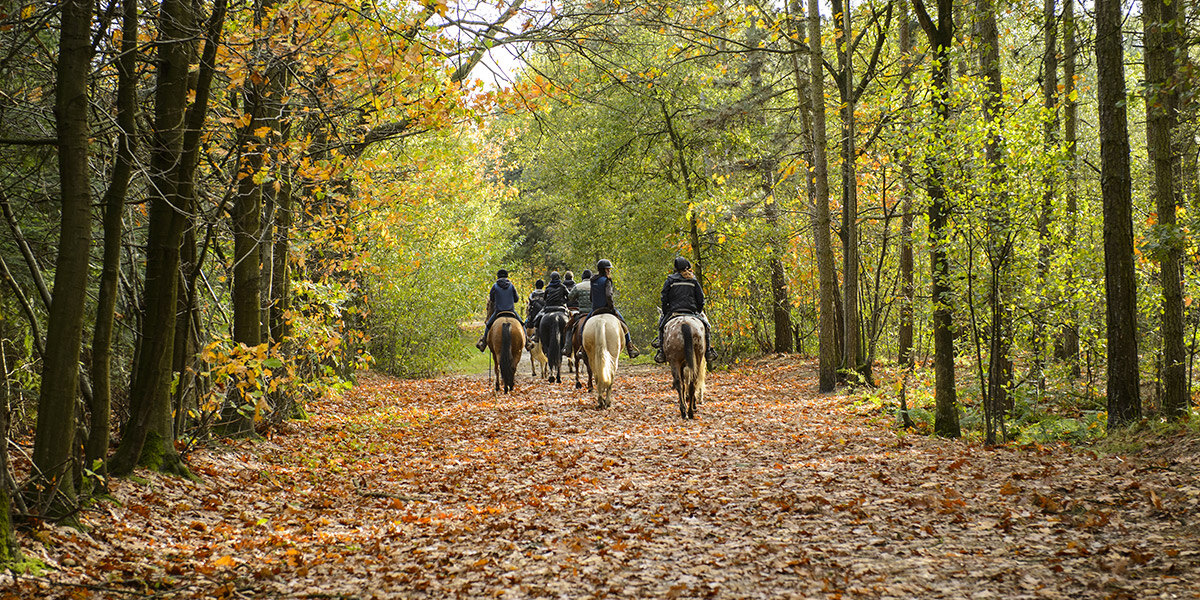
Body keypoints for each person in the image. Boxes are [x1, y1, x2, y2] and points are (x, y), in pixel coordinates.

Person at [653, 256, 717, 363]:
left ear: (676, 268)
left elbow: (664, 298)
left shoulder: (670, 280)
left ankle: (661, 352)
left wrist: (665, 311)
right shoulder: (693, 280)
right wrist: (698, 310)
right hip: (692, 311)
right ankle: (708, 351)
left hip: (674, 311)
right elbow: (701, 298)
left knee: (661, 326)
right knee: (706, 327)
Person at [586, 259, 639, 358]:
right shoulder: (607, 280)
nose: (609, 271)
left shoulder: (593, 280)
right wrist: (612, 308)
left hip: (595, 309)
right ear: (605, 270)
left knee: (584, 325)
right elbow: (608, 295)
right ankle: (630, 348)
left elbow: (591, 297)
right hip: (607, 308)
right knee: (624, 325)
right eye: (608, 269)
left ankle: (582, 349)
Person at [476, 269, 522, 351]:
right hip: (511, 311)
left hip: (498, 311)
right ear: (507, 276)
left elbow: (492, 299)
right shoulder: (511, 286)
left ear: (498, 276)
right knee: (522, 324)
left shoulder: (495, 286)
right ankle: (527, 341)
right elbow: (516, 299)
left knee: (488, 325)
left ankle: (483, 342)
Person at [530, 271, 568, 342]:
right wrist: (564, 301)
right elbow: (568, 297)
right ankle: (569, 340)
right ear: (559, 278)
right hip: (560, 307)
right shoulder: (563, 286)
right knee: (571, 320)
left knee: (538, 318)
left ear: (551, 278)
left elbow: (545, 299)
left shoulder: (548, 287)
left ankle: (536, 335)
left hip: (549, 308)